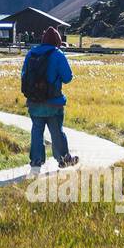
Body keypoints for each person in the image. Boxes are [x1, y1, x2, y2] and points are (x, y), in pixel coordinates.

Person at [21, 26, 78, 176]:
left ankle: (36, 161)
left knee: (37, 130)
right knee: (56, 131)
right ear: (57, 41)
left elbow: (24, 75)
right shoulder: (58, 54)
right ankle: (63, 159)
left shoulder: (31, 54)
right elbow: (68, 77)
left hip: (34, 102)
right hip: (54, 102)